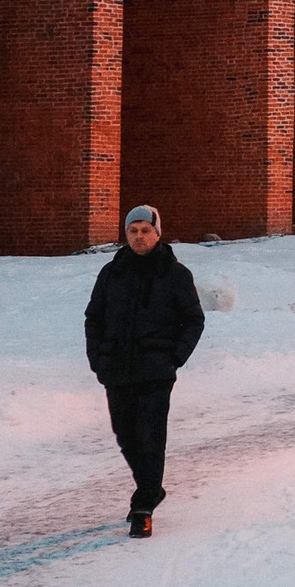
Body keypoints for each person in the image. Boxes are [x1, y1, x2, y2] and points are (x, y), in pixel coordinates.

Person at [84, 204, 205, 538]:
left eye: (145, 231)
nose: (139, 237)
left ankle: (143, 506)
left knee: (150, 436)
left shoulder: (175, 274)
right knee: (126, 435)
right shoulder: (112, 273)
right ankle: (151, 487)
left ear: (157, 233)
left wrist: (175, 357)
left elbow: (193, 319)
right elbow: (94, 317)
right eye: (132, 231)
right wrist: (97, 358)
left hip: (156, 370)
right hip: (117, 369)